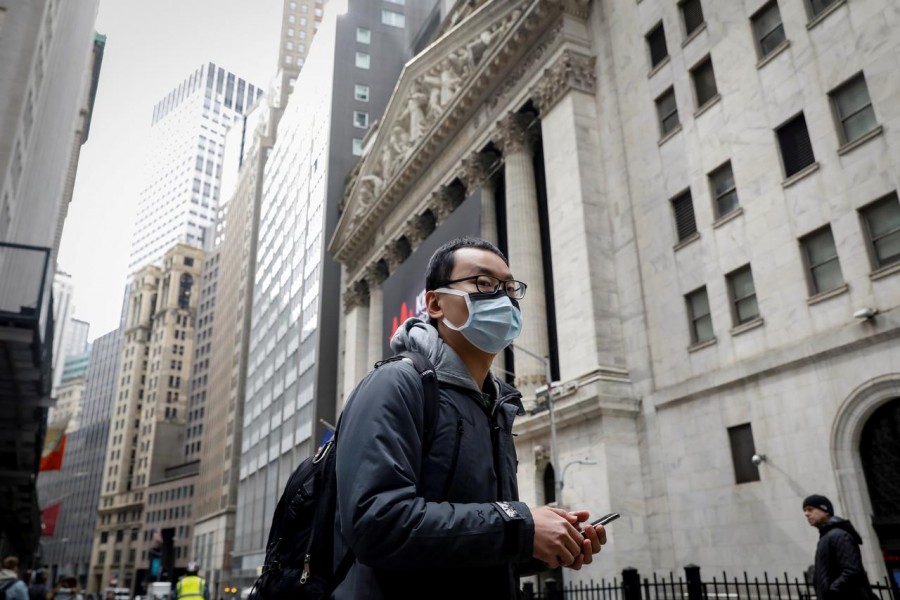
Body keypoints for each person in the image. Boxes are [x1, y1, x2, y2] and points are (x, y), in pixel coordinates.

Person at [334, 237, 607, 599]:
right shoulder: (395, 384)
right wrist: (519, 527)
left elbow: (464, 546)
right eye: (483, 283)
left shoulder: (496, 406)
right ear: (434, 304)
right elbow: (376, 525)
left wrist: (544, 544)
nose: (504, 298)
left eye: (509, 287)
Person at [803, 494, 876, 600]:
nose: (806, 514)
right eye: (805, 510)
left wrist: (831, 591)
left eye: (810, 509)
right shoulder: (827, 536)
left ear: (825, 510)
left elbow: (852, 570)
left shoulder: (839, 535)